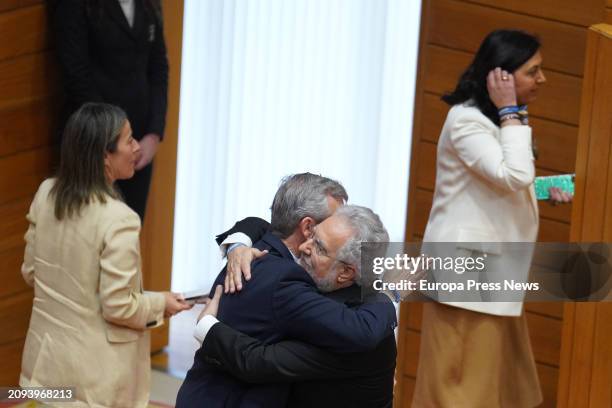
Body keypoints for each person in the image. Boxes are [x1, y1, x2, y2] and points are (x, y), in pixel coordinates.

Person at [412, 30, 571, 407]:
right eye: (533, 71)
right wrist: (510, 112)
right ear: (500, 76)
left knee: (505, 388)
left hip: (495, 275)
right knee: (459, 390)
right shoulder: (467, 121)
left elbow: (502, 182)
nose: (542, 80)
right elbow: (511, 175)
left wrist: (542, 190)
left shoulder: (496, 120)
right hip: (468, 275)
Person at [19, 103, 190, 407]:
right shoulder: (119, 219)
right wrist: (159, 303)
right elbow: (119, 307)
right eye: (128, 140)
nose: (136, 147)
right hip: (94, 381)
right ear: (103, 156)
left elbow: (30, 272)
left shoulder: (45, 193)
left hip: (44, 366)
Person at [176, 174, 397, 408]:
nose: (305, 246)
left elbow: (261, 225)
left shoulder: (256, 251)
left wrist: (239, 241)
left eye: (320, 245)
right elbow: (257, 361)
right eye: (320, 230)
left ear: (347, 272)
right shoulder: (285, 279)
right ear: (307, 225)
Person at [53, 0, 169, 220]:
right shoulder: (76, 6)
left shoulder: (150, 4)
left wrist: (154, 133)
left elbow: (158, 67)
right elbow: (76, 76)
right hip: (93, 148)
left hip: (138, 147)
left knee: (129, 232)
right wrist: (113, 140)